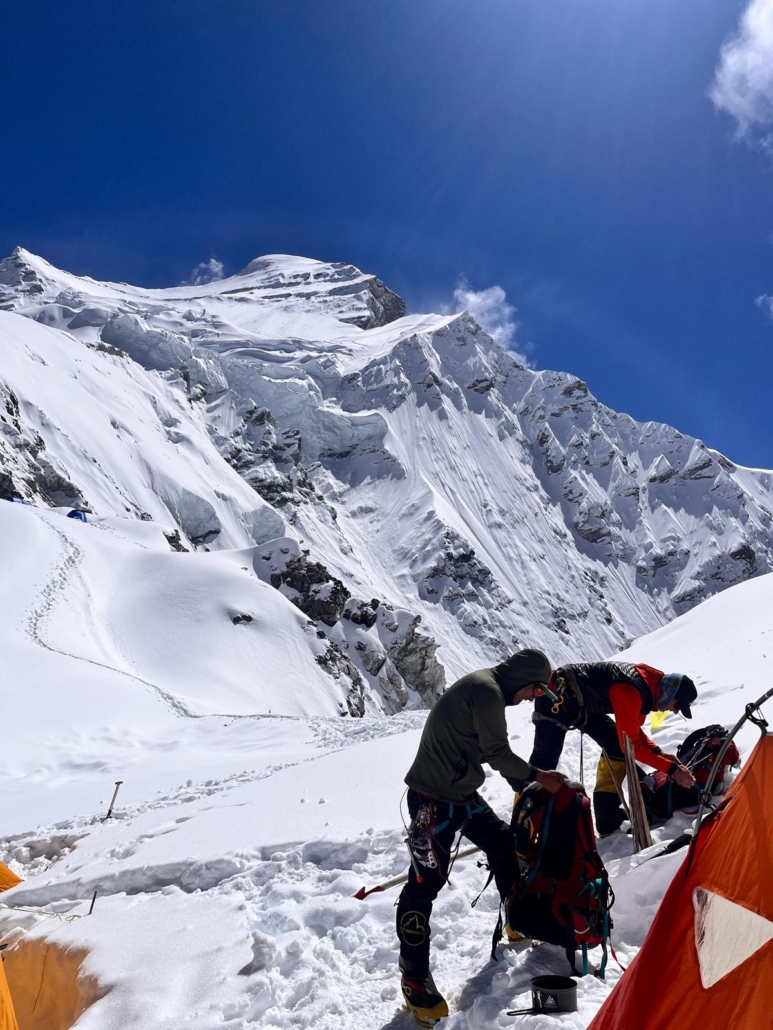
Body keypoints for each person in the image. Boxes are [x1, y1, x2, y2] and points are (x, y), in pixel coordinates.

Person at [396, 648, 566, 1025]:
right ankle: (414, 979)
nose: (530, 700)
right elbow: (497, 751)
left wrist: (525, 783)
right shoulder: (487, 691)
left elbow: (491, 753)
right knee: (423, 886)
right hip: (433, 800)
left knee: (503, 840)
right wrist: (539, 777)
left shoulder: (486, 687)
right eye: (535, 693)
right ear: (526, 682)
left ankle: (516, 917)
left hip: (457, 795)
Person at [515, 662, 698, 836]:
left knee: (616, 749)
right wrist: (672, 769)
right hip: (556, 698)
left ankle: (607, 820)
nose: (674, 711)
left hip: (581, 703)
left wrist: (661, 755)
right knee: (543, 766)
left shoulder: (648, 686)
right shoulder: (631, 691)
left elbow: (632, 735)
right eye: (677, 705)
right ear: (670, 693)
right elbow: (631, 745)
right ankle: (522, 829)